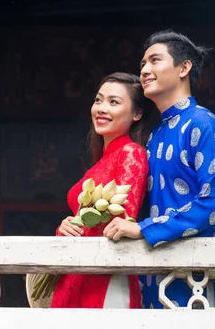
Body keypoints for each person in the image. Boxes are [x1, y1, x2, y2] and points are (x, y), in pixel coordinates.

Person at [103, 30, 215, 309]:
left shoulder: (205, 125)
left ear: (184, 67)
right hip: (157, 276)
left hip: (199, 279)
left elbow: (214, 205)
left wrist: (145, 229)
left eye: (154, 60)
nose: (145, 70)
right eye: (142, 64)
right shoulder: (154, 137)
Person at [51, 72, 151, 309]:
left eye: (114, 102)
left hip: (105, 277)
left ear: (137, 114)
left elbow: (122, 221)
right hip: (79, 271)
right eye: (98, 100)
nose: (101, 108)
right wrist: (66, 226)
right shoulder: (101, 162)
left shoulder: (131, 153)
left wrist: (87, 223)